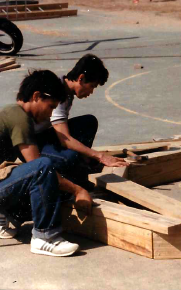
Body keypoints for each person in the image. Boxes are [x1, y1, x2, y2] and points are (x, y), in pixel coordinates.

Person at [0, 70, 91, 257]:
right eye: (50, 107)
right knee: (43, 167)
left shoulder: (12, 114)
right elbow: (37, 167)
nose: (51, 115)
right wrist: (78, 190)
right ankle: (45, 237)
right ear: (36, 96)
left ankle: (7, 217)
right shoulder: (19, 118)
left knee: (43, 175)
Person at [35, 54, 128, 188]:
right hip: (32, 143)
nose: (91, 91)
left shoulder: (67, 90)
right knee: (69, 157)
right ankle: (72, 179)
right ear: (81, 78)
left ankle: (82, 165)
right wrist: (100, 157)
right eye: (92, 86)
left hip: (46, 134)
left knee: (89, 122)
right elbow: (65, 140)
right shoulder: (58, 92)